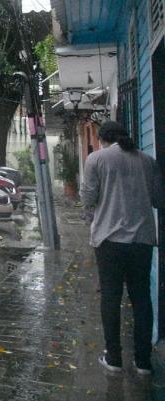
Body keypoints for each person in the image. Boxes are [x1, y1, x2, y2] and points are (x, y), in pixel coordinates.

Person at [81, 120, 165, 375]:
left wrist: (94, 215)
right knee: (141, 298)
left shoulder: (96, 159)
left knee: (110, 296)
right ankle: (143, 362)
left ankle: (114, 358)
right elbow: (158, 198)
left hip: (109, 241)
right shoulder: (147, 160)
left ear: (102, 138)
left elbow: (87, 196)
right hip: (141, 240)